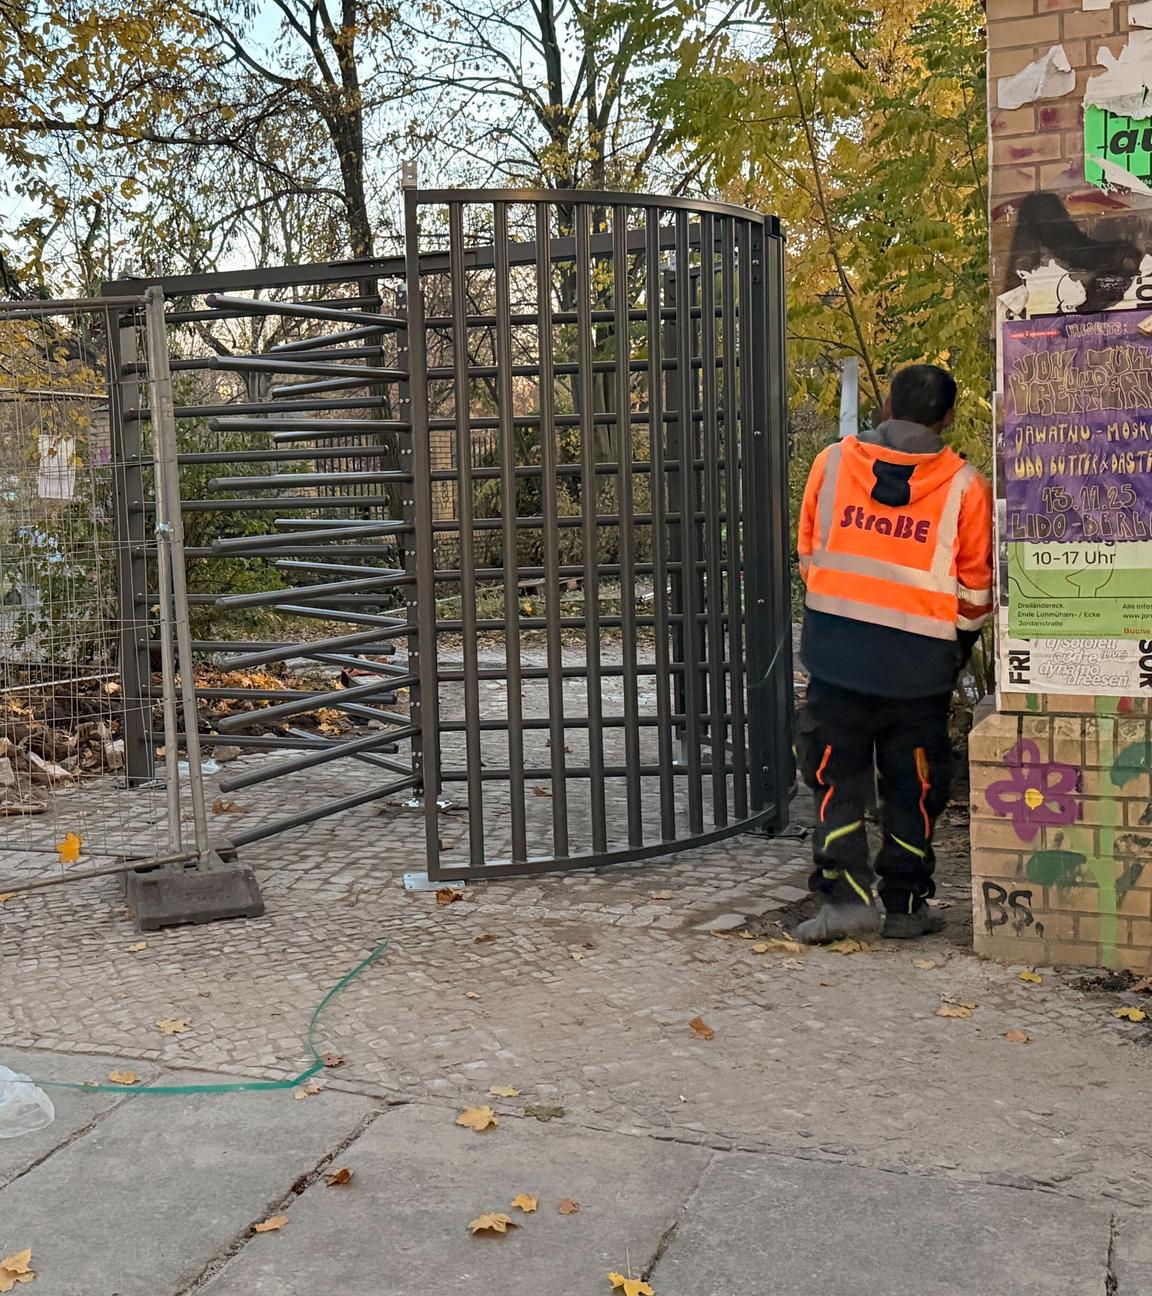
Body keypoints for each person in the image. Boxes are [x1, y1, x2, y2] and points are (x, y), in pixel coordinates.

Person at [793, 364, 993, 943]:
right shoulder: (965, 486)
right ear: (949, 417)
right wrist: (952, 652)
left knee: (835, 779)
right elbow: (974, 594)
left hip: (837, 659)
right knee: (915, 787)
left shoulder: (831, 465)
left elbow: (810, 554)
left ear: (884, 407)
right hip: (920, 672)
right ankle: (905, 906)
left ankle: (845, 903)